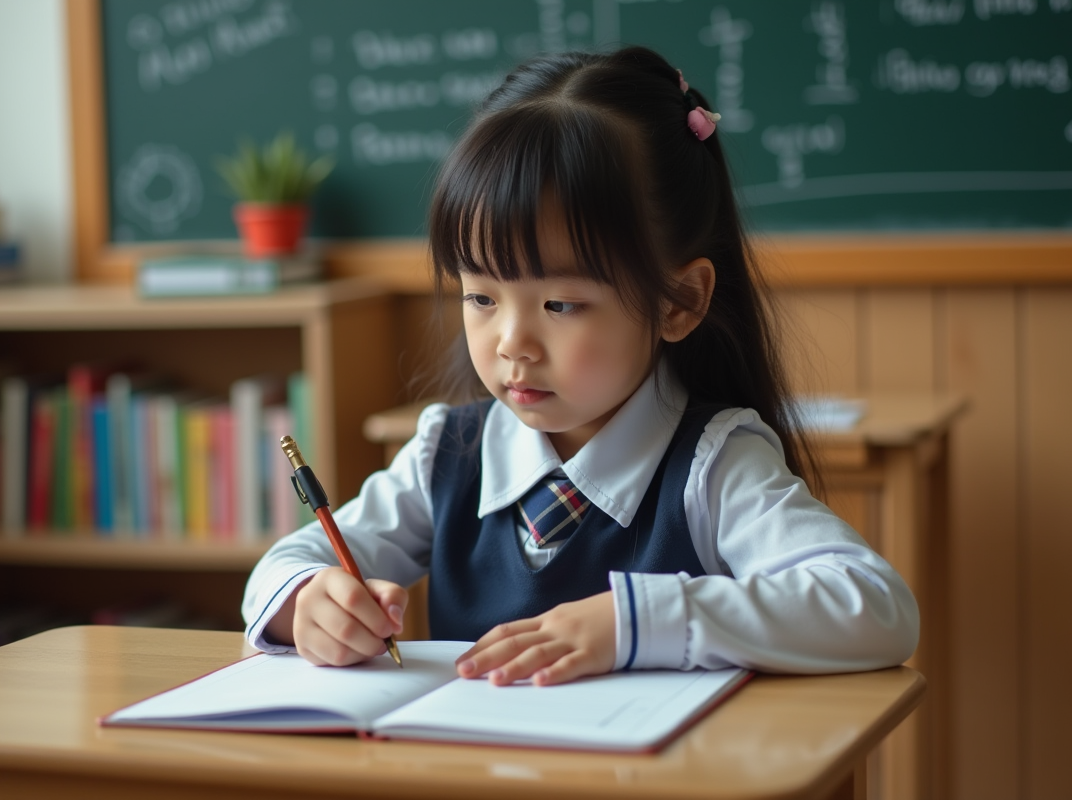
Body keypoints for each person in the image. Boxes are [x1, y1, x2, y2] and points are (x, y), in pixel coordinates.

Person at [243, 46, 918, 686]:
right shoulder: (445, 455)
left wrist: (638, 621)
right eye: (481, 296)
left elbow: (874, 606)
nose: (512, 342)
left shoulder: (713, 467)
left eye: (560, 303)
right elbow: (287, 564)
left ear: (679, 302)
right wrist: (307, 601)